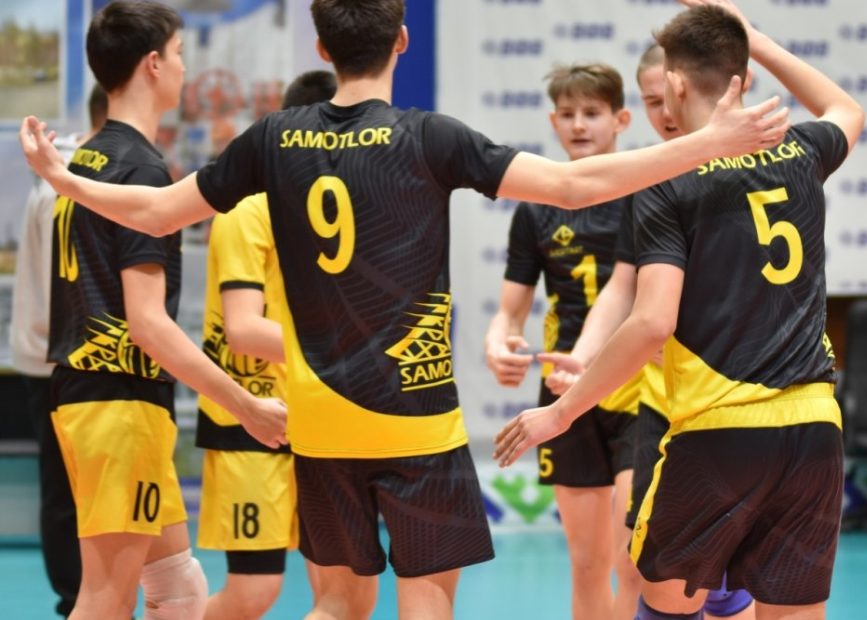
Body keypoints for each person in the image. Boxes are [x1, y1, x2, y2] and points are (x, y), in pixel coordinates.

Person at [19, 1, 788, 617]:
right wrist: (707, 142)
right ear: (402, 41)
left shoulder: (272, 138)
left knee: (337, 604)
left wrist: (66, 177)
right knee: (426, 602)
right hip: (416, 418)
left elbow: (156, 212)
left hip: (320, 421)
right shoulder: (430, 137)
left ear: (322, 47)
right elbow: (573, 185)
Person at [495, 2, 863, 619]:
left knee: (662, 599)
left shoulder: (667, 182)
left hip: (719, 432)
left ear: (674, 84)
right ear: (741, 73)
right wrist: (755, 38)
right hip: (814, 430)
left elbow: (651, 323)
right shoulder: (800, 150)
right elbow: (847, 109)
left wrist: (561, 412)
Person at [39, 2, 286, 619]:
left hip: (95, 396)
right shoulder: (140, 169)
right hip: (117, 403)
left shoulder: (90, 158)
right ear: (152, 64)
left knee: (178, 590)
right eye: (179, 55)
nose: (184, 68)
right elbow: (147, 323)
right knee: (104, 598)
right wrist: (246, 405)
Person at [543, 44, 755, 620]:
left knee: (731, 576)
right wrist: (584, 358)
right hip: (664, 405)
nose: (663, 113)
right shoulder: (653, 181)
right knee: (644, 566)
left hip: (738, 402)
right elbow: (623, 288)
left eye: (667, 98)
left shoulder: (759, 168)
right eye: (650, 101)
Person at [484, 62, 641, 620]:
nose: (578, 125)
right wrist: (499, 343)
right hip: (564, 394)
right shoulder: (536, 208)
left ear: (620, 120)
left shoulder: (648, 193)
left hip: (639, 390)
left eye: (592, 113)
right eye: (568, 114)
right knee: (587, 563)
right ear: (553, 122)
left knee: (634, 562)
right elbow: (510, 310)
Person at [196, 69, 335, 620]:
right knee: (254, 592)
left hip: (321, 421)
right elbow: (244, 330)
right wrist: (349, 354)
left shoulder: (331, 212)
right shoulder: (247, 211)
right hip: (251, 418)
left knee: (341, 594)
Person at [9, 83, 106, 619]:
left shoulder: (73, 176)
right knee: (67, 490)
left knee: (84, 489)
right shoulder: (63, 183)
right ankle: (75, 601)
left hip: (66, 355)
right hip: (57, 359)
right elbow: (61, 285)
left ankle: (93, 598)